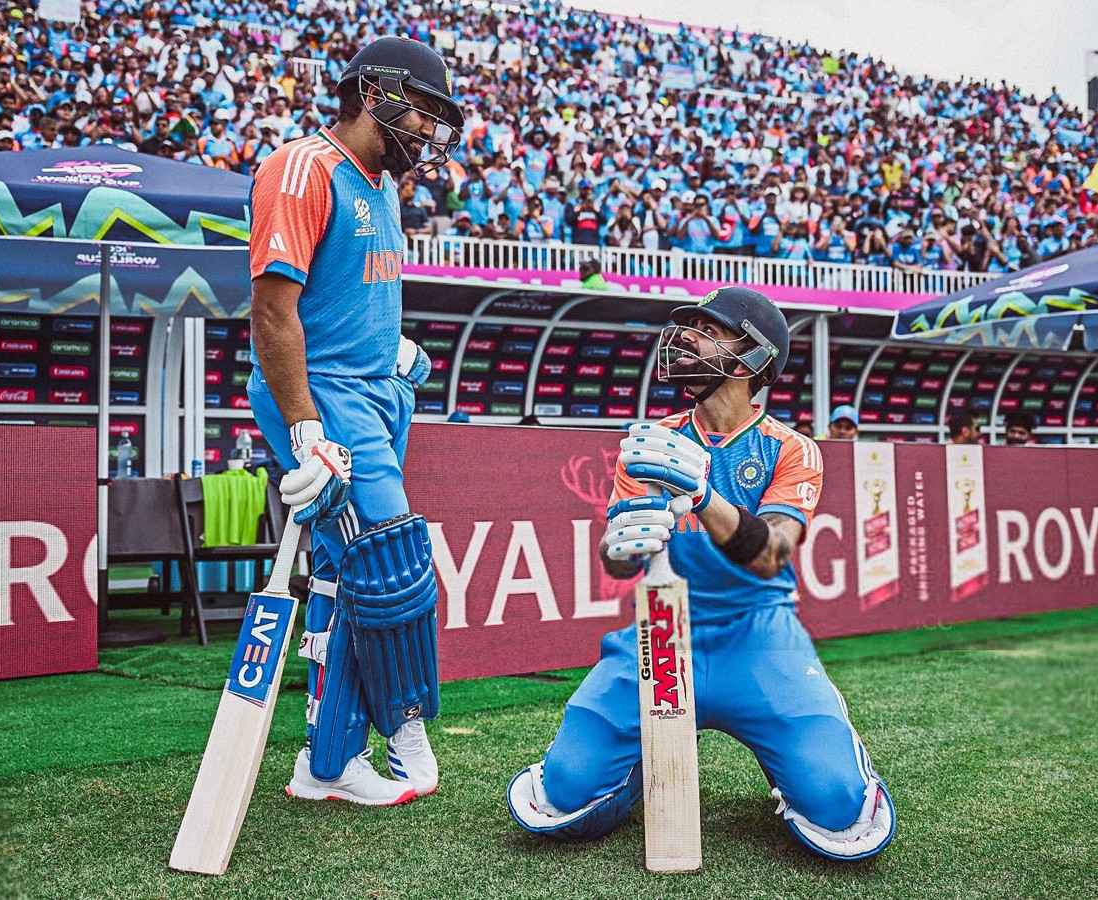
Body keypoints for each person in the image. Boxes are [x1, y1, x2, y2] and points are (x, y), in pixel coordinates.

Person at [507, 287, 895, 862]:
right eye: (687, 327)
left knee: (840, 810)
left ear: (753, 357)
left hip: (757, 634)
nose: (686, 338)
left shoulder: (792, 449)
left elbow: (772, 555)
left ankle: (790, 762)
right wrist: (620, 543)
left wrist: (702, 496)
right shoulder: (653, 442)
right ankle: (634, 769)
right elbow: (618, 560)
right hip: (662, 632)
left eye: (708, 330)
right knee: (562, 794)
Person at [246, 36, 463, 808]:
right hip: (327, 398)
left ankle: (330, 759)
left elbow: (344, 290)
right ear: (373, 93)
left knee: (345, 575)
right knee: (392, 563)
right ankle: (401, 723)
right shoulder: (300, 167)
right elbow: (272, 312)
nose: (430, 129)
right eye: (423, 110)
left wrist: (392, 351)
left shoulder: (384, 186)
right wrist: (306, 428)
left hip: (376, 391)